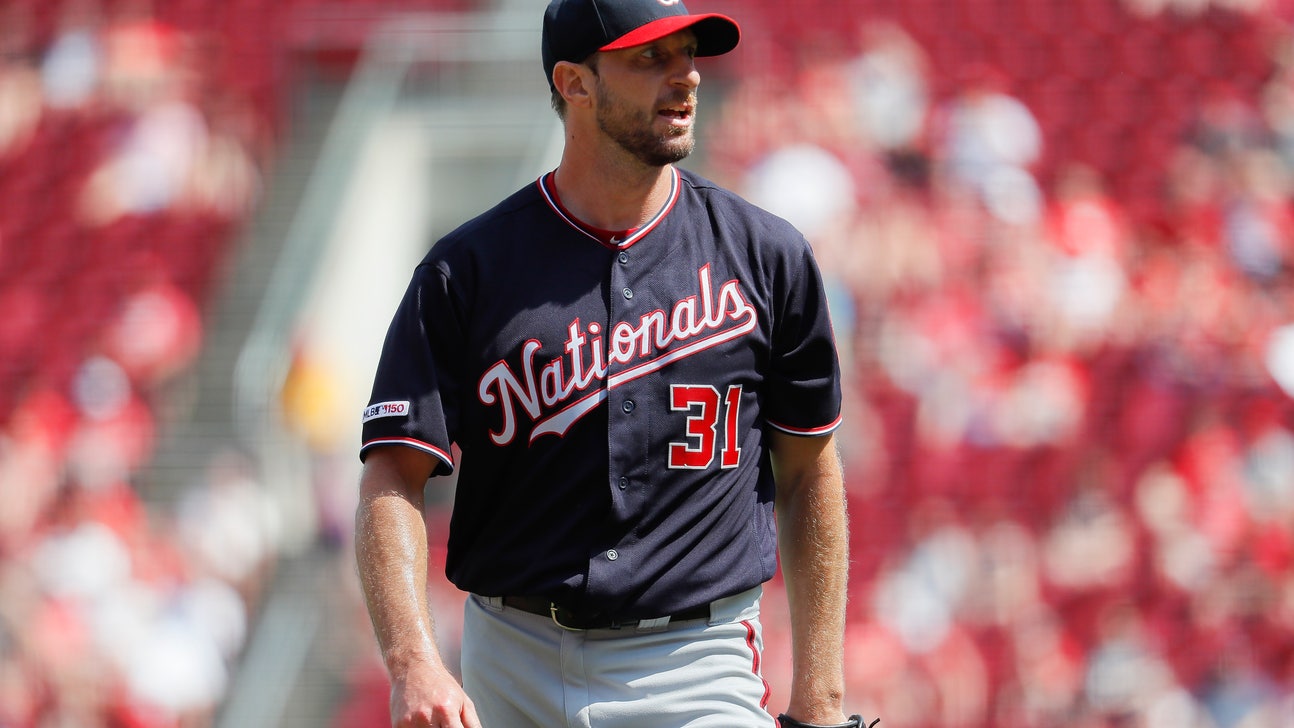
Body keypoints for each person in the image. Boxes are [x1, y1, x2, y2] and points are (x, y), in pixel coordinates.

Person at [353, 1, 858, 726]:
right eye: (650, 58)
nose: (685, 78)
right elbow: (390, 477)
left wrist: (822, 698)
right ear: (575, 81)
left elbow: (810, 470)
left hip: (697, 663)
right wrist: (413, 660)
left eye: (688, 54)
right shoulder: (465, 272)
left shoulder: (767, 256)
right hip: (511, 656)